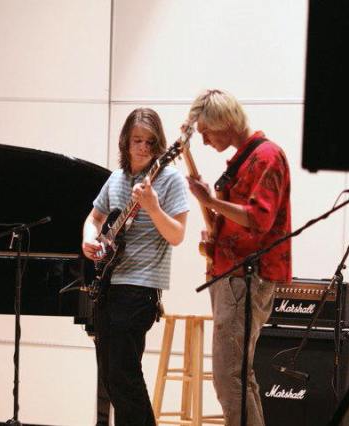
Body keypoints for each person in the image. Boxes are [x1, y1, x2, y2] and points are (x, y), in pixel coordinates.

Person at [186, 89, 291, 426]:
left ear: (225, 122)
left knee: (228, 377)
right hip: (231, 276)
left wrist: (211, 201)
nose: (204, 141)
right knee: (238, 376)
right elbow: (240, 219)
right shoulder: (246, 159)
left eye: (207, 132)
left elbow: (259, 219)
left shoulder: (267, 156)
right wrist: (216, 228)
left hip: (246, 276)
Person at [82, 108, 189, 425]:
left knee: (124, 374)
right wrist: (89, 238)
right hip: (108, 285)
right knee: (111, 375)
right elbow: (94, 217)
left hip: (140, 288)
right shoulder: (116, 179)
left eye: (150, 142)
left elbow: (177, 235)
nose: (143, 147)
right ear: (125, 143)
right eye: (137, 140)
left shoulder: (170, 180)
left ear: (160, 145)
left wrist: (153, 207)